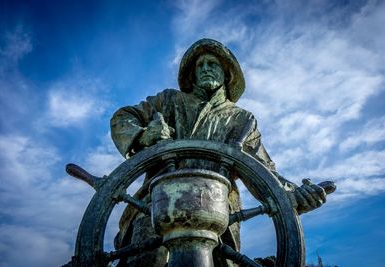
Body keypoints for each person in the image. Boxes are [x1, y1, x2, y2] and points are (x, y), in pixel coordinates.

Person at [110, 39, 327, 266]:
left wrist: (296, 197)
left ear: (227, 73)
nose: (205, 68)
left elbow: (263, 174)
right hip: (159, 203)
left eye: (212, 64)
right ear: (192, 75)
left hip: (216, 208)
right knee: (144, 257)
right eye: (200, 65)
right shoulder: (169, 101)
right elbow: (123, 117)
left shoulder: (243, 120)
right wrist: (144, 135)